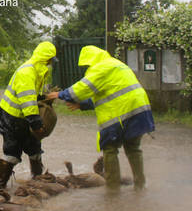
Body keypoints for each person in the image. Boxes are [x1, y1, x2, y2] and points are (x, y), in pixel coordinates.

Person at [47, 45, 155, 191]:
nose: (87, 67)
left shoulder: (101, 68)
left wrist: (60, 94)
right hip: (141, 111)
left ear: (91, 60)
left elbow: (80, 90)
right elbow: (108, 94)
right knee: (134, 148)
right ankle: (140, 186)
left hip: (121, 112)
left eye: (87, 64)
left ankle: (112, 190)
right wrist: (83, 105)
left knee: (110, 149)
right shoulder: (117, 64)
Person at [0, 41, 57, 189]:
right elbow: (27, 101)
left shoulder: (39, 72)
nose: (51, 64)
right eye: (51, 60)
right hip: (12, 118)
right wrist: (37, 124)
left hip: (24, 118)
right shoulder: (27, 72)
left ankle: (37, 181)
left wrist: (46, 98)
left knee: (34, 149)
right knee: (12, 152)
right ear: (45, 59)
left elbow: (34, 97)